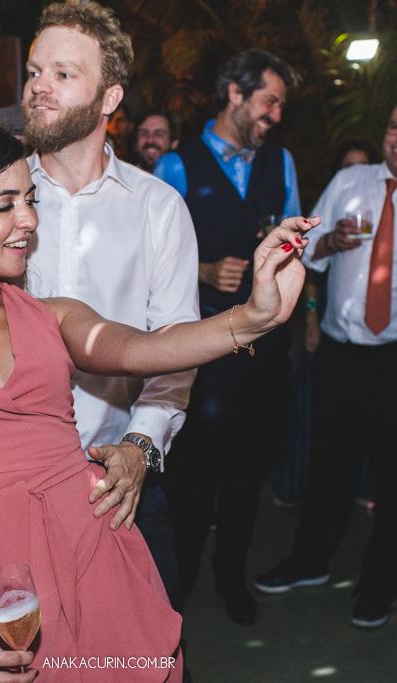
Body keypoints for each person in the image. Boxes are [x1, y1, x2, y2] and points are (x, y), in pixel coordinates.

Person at [0, 114, 314, 683]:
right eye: (4, 204)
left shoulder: (50, 314)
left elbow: (144, 349)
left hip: (95, 557)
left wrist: (252, 318)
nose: (30, 219)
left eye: (30, 200)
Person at [253, 97, 397, 630]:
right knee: (328, 468)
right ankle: (309, 562)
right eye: (396, 126)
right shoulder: (350, 182)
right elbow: (305, 251)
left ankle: (379, 587)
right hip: (338, 353)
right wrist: (327, 241)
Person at [21, 2, 199, 618]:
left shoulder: (158, 207)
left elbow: (176, 347)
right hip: (12, 483)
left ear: (109, 98)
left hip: (118, 479)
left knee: (150, 649)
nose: (39, 85)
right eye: (34, 70)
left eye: (63, 74)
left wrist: (139, 448)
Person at [155, 48, 302, 625]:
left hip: (266, 351)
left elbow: (293, 238)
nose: (276, 115)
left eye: (282, 105)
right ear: (235, 94)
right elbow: (147, 261)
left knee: (247, 472)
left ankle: (232, 578)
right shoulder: (177, 164)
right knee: (194, 478)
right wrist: (203, 272)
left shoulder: (281, 162)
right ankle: (180, 583)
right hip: (204, 348)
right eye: (269, 101)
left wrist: (287, 251)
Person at [270, 139, 379, 510]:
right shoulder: (332, 208)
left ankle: (361, 489)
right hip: (326, 308)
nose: (355, 174)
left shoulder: (380, 209)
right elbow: (311, 272)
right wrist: (313, 319)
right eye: (348, 167)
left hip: (368, 317)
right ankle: (294, 487)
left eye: (363, 167)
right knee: (309, 407)